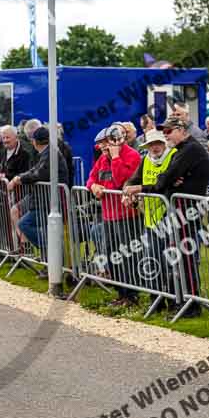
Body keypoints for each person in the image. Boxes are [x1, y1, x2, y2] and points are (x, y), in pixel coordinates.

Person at [124, 116, 209, 316]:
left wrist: (149, 186)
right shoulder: (182, 150)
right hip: (179, 209)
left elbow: (166, 179)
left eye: (169, 131)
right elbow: (169, 179)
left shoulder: (190, 149)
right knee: (180, 258)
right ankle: (182, 301)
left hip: (187, 210)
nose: (166, 135)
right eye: (164, 131)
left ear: (182, 130)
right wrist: (170, 182)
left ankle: (191, 305)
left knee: (186, 258)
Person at [87, 125, 142, 306]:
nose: (102, 148)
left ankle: (132, 294)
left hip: (127, 216)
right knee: (113, 254)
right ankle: (121, 292)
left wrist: (116, 157)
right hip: (109, 216)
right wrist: (93, 187)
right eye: (100, 145)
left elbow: (121, 181)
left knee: (128, 255)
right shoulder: (103, 159)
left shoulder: (131, 156)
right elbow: (91, 178)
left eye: (105, 144)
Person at [122, 130, 178, 302]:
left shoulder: (174, 156)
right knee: (152, 259)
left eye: (158, 143)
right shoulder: (146, 159)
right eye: (151, 144)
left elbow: (166, 184)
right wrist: (127, 192)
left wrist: (139, 189)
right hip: (150, 219)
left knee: (170, 260)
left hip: (170, 217)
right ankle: (156, 299)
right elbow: (133, 180)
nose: (155, 147)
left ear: (165, 143)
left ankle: (174, 299)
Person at [8, 126, 70, 261]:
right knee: (31, 225)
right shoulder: (46, 153)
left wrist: (19, 179)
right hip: (44, 199)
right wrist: (18, 178)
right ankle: (49, 257)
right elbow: (34, 170)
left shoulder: (51, 154)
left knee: (24, 224)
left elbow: (39, 174)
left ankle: (51, 253)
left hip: (50, 201)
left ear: (34, 142)